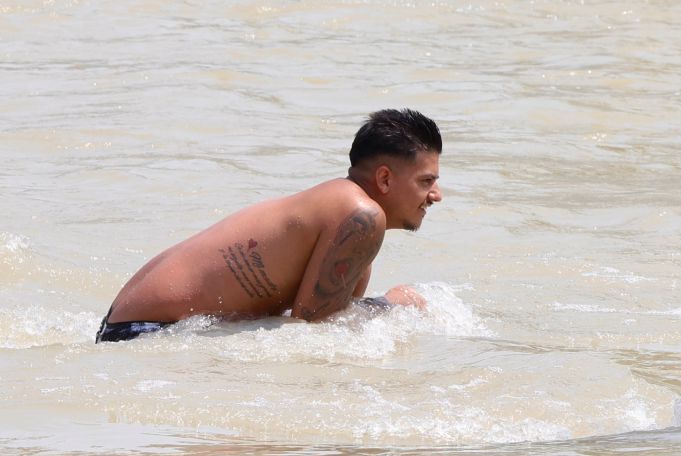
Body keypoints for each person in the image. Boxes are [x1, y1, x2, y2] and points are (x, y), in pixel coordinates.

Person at [96, 109, 442, 341]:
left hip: (132, 329)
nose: (436, 195)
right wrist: (394, 306)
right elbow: (312, 334)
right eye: (426, 181)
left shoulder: (342, 208)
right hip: (147, 335)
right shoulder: (361, 215)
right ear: (384, 178)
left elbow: (317, 326)